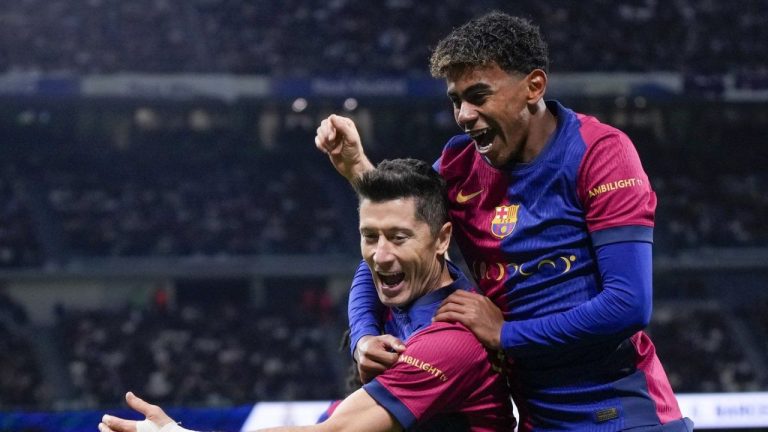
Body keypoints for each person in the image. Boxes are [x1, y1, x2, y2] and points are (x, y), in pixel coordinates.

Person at [314, 11, 693, 432]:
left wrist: (508, 334)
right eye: (456, 100)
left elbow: (628, 304)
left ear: (534, 87)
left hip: (623, 417)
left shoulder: (599, 154)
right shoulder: (459, 164)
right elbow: (395, 247)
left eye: (479, 95)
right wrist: (364, 337)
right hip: (537, 420)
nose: (464, 115)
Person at [98, 159, 515, 432]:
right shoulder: (417, 280)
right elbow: (369, 271)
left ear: (443, 239)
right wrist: (363, 337)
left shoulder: (451, 340)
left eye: (399, 237)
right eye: (369, 236)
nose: (380, 255)